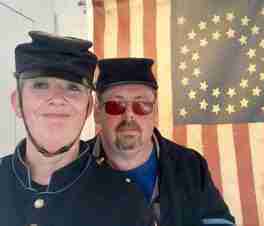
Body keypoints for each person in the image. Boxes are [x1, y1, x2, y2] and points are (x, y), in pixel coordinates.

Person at [0, 31, 150, 226]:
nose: (56, 98)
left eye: (73, 87)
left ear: (89, 107)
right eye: (40, 85)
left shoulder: (126, 201)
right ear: (17, 103)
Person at [92, 57, 236, 226]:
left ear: (156, 112)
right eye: (115, 105)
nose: (129, 116)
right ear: (97, 112)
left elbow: (219, 221)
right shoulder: (74, 168)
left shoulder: (190, 164)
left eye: (142, 105)